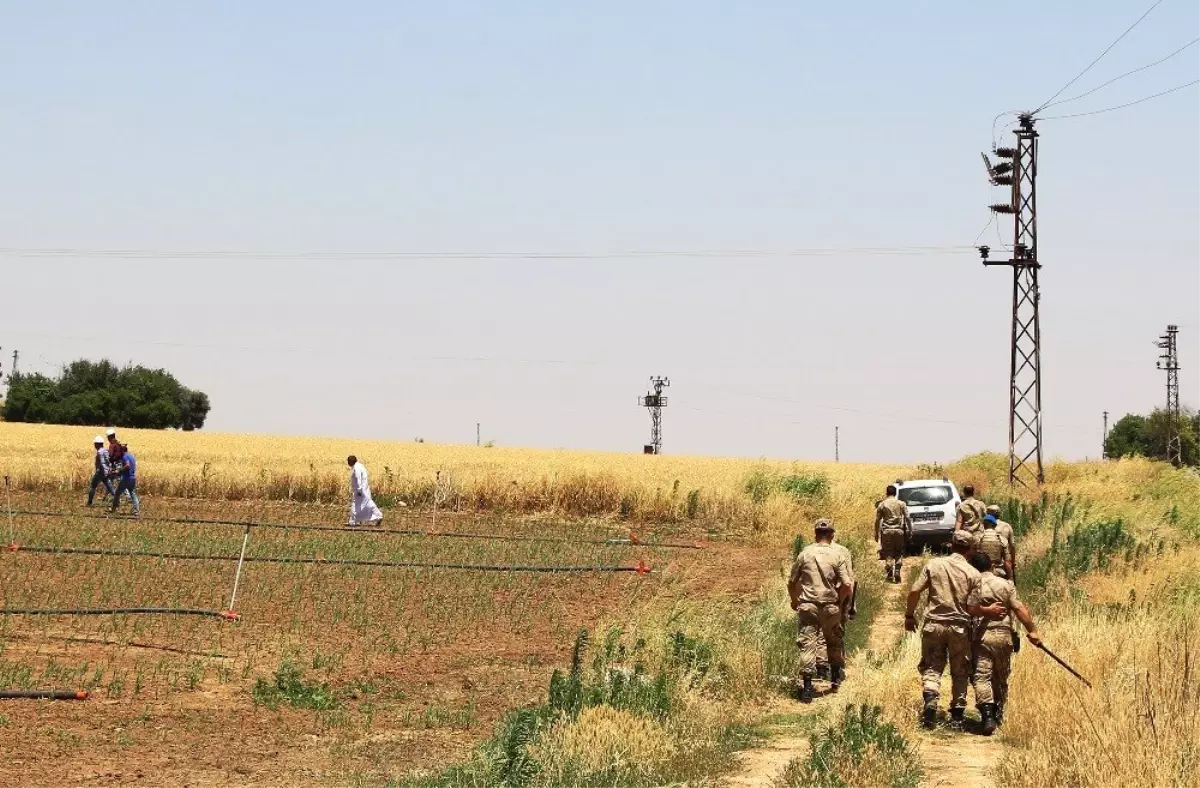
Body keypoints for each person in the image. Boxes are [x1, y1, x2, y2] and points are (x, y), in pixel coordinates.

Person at [905, 530, 1004, 730]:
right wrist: (989, 611)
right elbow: (972, 609)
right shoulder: (973, 574)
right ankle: (957, 714)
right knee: (959, 671)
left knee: (932, 667)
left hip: (934, 624)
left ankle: (931, 702)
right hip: (959, 627)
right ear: (969, 550)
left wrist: (909, 615)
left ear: (951, 545)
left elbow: (915, 590)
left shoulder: (934, 565)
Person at [968, 552, 1041, 735]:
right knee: (1001, 677)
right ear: (992, 566)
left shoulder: (971, 585)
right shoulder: (1006, 585)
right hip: (1003, 636)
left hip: (981, 637)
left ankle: (987, 715)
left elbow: (966, 609)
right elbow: (1018, 608)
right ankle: (999, 712)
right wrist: (1032, 630)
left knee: (981, 676)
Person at [788, 518, 854, 703]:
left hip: (808, 605)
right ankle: (835, 678)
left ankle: (808, 687)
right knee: (833, 641)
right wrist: (840, 603)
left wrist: (795, 601)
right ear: (832, 536)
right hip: (830, 606)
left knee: (808, 643)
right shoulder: (838, 555)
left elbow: (792, 582)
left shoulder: (804, 554)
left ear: (815, 535)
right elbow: (848, 584)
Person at [815, 533, 857, 680]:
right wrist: (851, 603)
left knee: (820, 630)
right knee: (836, 632)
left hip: (817, 598)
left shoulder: (812, 551)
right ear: (833, 536)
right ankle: (837, 668)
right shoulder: (843, 551)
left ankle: (821, 666)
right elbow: (849, 580)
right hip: (839, 597)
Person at [875, 484, 911, 583]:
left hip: (886, 531)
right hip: (899, 531)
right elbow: (907, 518)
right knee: (899, 551)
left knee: (888, 552)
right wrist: (910, 530)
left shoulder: (882, 504)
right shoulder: (901, 503)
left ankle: (890, 572)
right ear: (895, 493)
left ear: (886, 493)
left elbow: (877, 520)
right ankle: (898, 571)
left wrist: (876, 533)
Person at [347, 455, 383, 527]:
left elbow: (358, 478)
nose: (348, 463)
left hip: (360, 491)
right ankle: (379, 516)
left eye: (348, 462)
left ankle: (352, 522)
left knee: (355, 505)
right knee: (369, 503)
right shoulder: (360, 466)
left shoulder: (356, 468)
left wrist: (359, 490)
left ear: (351, 462)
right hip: (365, 490)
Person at [976, 514, 1013, 579]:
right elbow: (1007, 562)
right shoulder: (1002, 539)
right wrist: (1010, 579)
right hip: (997, 573)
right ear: (995, 526)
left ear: (984, 525)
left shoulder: (978, 539)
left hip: (981, 573)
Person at [109, 444, 140, 517]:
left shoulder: (124, 456)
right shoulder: (132, 456)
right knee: (132, 493)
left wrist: (118, 471)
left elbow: (127, 465)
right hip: (132, 478)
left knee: (117, 493)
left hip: (126, 478)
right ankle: (136, 511)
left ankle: (114, 508)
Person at [987, 504, 1017, 580]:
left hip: (988, 564)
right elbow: (1012, 546)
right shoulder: (1007, 526)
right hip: (1004, 563)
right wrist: (1013, 562)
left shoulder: (986, 526)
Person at [86, 435, 115, 507]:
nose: (94, 445)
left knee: (92, 486)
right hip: (106, 472)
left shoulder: (99, 452)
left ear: (98, 444)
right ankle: (116, 500)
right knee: (110, 487)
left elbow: (102, 463)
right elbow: (109, 461)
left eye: (95, 444)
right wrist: (109, 470)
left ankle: (89, 503)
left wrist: (103, 471)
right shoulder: (105, 451)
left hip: (100, 472)